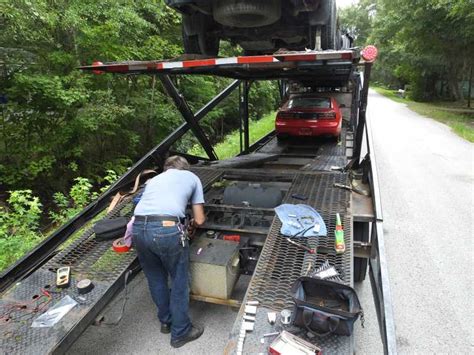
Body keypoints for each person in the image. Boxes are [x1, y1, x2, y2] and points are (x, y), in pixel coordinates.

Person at [132, 155, 206, 348]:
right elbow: (199, 220)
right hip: (166, 229)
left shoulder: (153, 180)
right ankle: (181, 332)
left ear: (167, 169)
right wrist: (188, 224)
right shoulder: (192, 177)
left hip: (139, 229)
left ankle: (166, 321)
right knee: (180, 281)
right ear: (185, 168)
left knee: (156, 278)